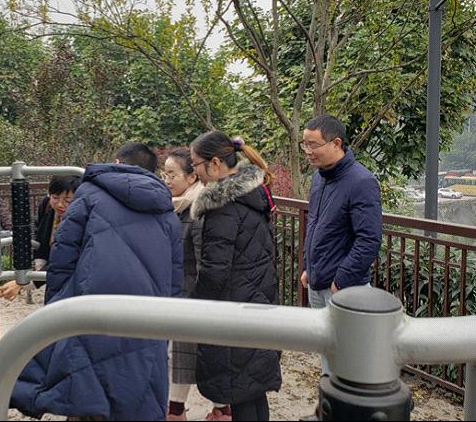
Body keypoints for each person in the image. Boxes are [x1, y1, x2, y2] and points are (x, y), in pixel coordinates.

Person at [10, 142, 183, 421]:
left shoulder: (90, 193)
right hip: (146, 314)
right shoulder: (165, 207)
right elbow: (174, 274)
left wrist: (55, 307)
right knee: (136, 387)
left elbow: (64, 253)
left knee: (85, 385)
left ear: (117, 162)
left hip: (91, 307)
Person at [189, 131, 281, 422]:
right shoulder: (253, 196)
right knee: (252, 391)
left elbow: (215, 271)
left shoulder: (223, 207)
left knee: (241, 392)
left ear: (215, 163)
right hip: (258, 300)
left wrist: (195, 304)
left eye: (195, 164)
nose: (195, 171)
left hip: (234, 308)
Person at [299, 114, 382, 380]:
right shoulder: (319, 177)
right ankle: (329, 400)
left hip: (344, 288)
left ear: (336, 143)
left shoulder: (361, 181)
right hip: (317, 280)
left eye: (313, 144)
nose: (307, 151)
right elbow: (315, 224)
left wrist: (341, 280)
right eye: (304, 144)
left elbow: (368, 239)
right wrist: (307, 266)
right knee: (326, 350)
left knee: (349, 358)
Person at [162, 148, 231, 422]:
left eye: (172, 174)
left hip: (193, 293)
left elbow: (206, 261)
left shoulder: (198, 210)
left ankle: (178, 410)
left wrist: (204, 297)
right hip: (180, 291)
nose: (167, 180)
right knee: (186, 354)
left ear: (191, 176)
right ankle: (220, 408)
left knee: (183, 354)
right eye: (164, 174)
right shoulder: (177, 206)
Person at [0, 175, 82, 301]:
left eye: (68, 200)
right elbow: (42, 237)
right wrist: (39, 269)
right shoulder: (47, 206)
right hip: (52, 268)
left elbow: (65, 259)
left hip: (75, 276)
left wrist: (23, 282)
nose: (60, 204)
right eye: (55, 198)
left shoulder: (82, 219)